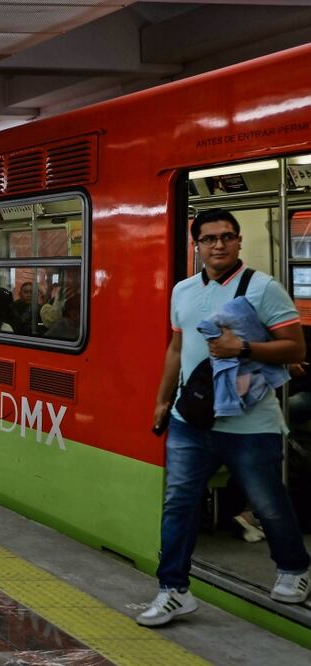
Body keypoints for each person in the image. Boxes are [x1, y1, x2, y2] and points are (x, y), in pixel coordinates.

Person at [140, 208, 310, 627]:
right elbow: (176, 351)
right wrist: (163, 400)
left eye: (227, 237)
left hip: (250, 424)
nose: (219, 244)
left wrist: (244, 350)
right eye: (210, 238)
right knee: (178, 504)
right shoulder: (182, 291)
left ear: (238, 243)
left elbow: (295, 349)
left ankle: (294, 569)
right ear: (196, 245)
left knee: (269, 504)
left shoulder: (263, 288)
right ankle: (173, 590)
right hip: (190, 418)